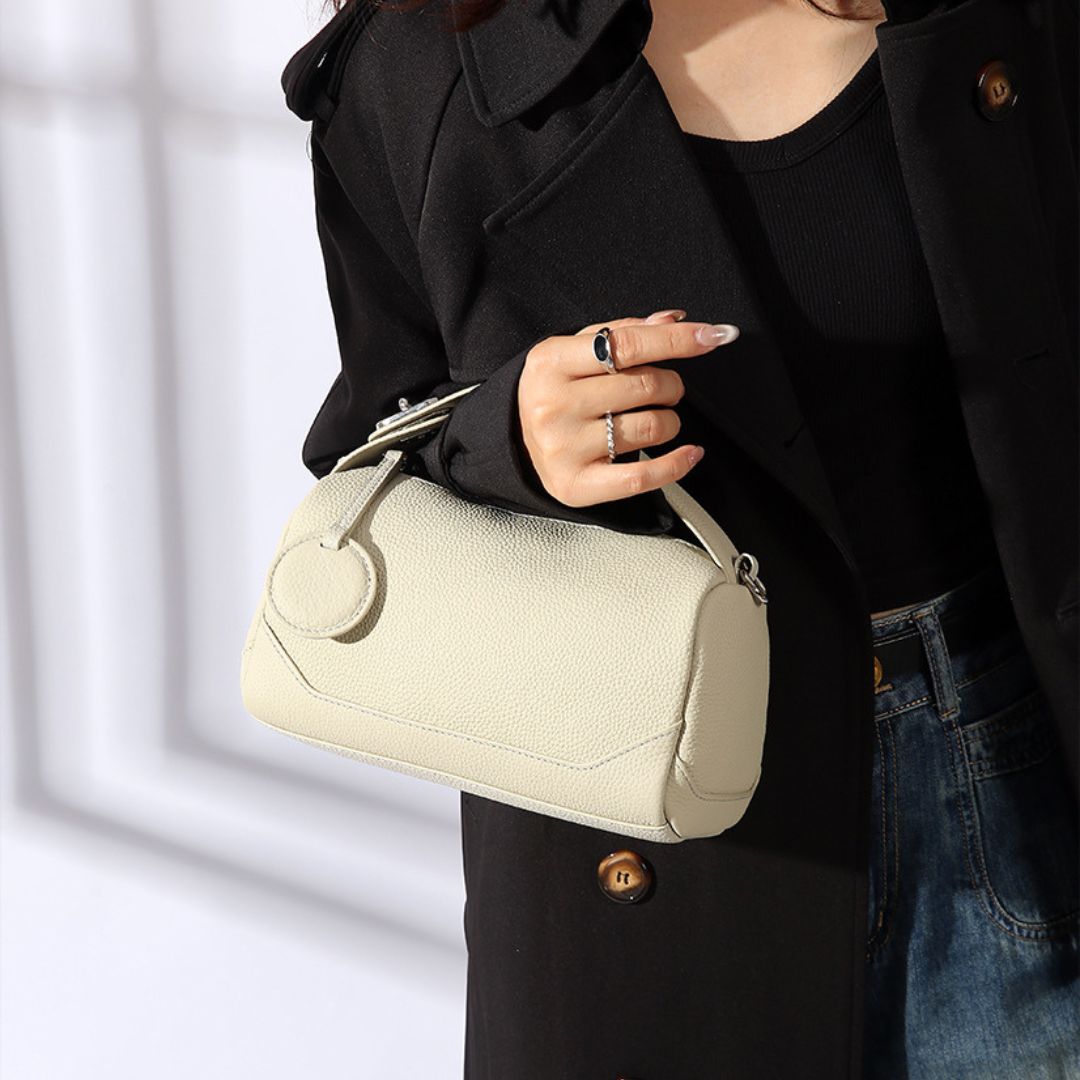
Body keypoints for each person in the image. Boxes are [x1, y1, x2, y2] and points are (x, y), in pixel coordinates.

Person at [280, 0, 1080, 1075]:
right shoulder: (416, 70)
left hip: (1017, 775)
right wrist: (509, 436)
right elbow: (370, 465)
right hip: (660, 820)